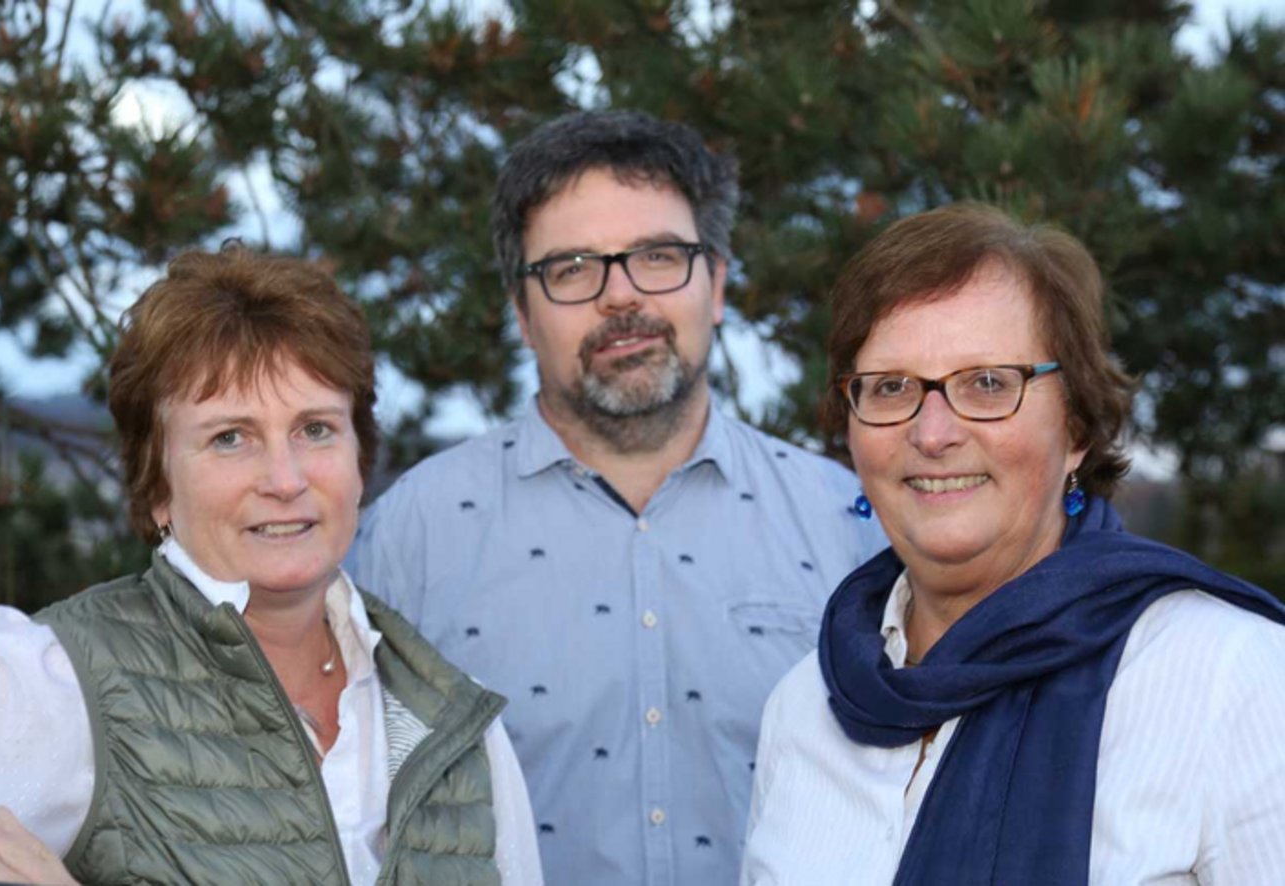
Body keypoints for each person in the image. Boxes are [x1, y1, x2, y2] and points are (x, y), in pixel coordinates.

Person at [0, 247, 542, 885]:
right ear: (159, 487)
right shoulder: (62, 684)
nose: (285, 479)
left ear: (359, 458)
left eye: (315, 429)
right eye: (230, 438)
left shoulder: (454, 723)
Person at [348, 110, 887, 886]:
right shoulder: (407, 537)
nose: (621, 296)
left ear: (717, 284)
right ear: (522, 314)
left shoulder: (854, 527)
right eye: (572, 268)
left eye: (658, 255)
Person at [740, 203, 1285, 885]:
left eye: (988, 383)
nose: (932, 433)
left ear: (1076, 428)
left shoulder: (1228, 676)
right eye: (891, 387)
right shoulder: (804, 708)